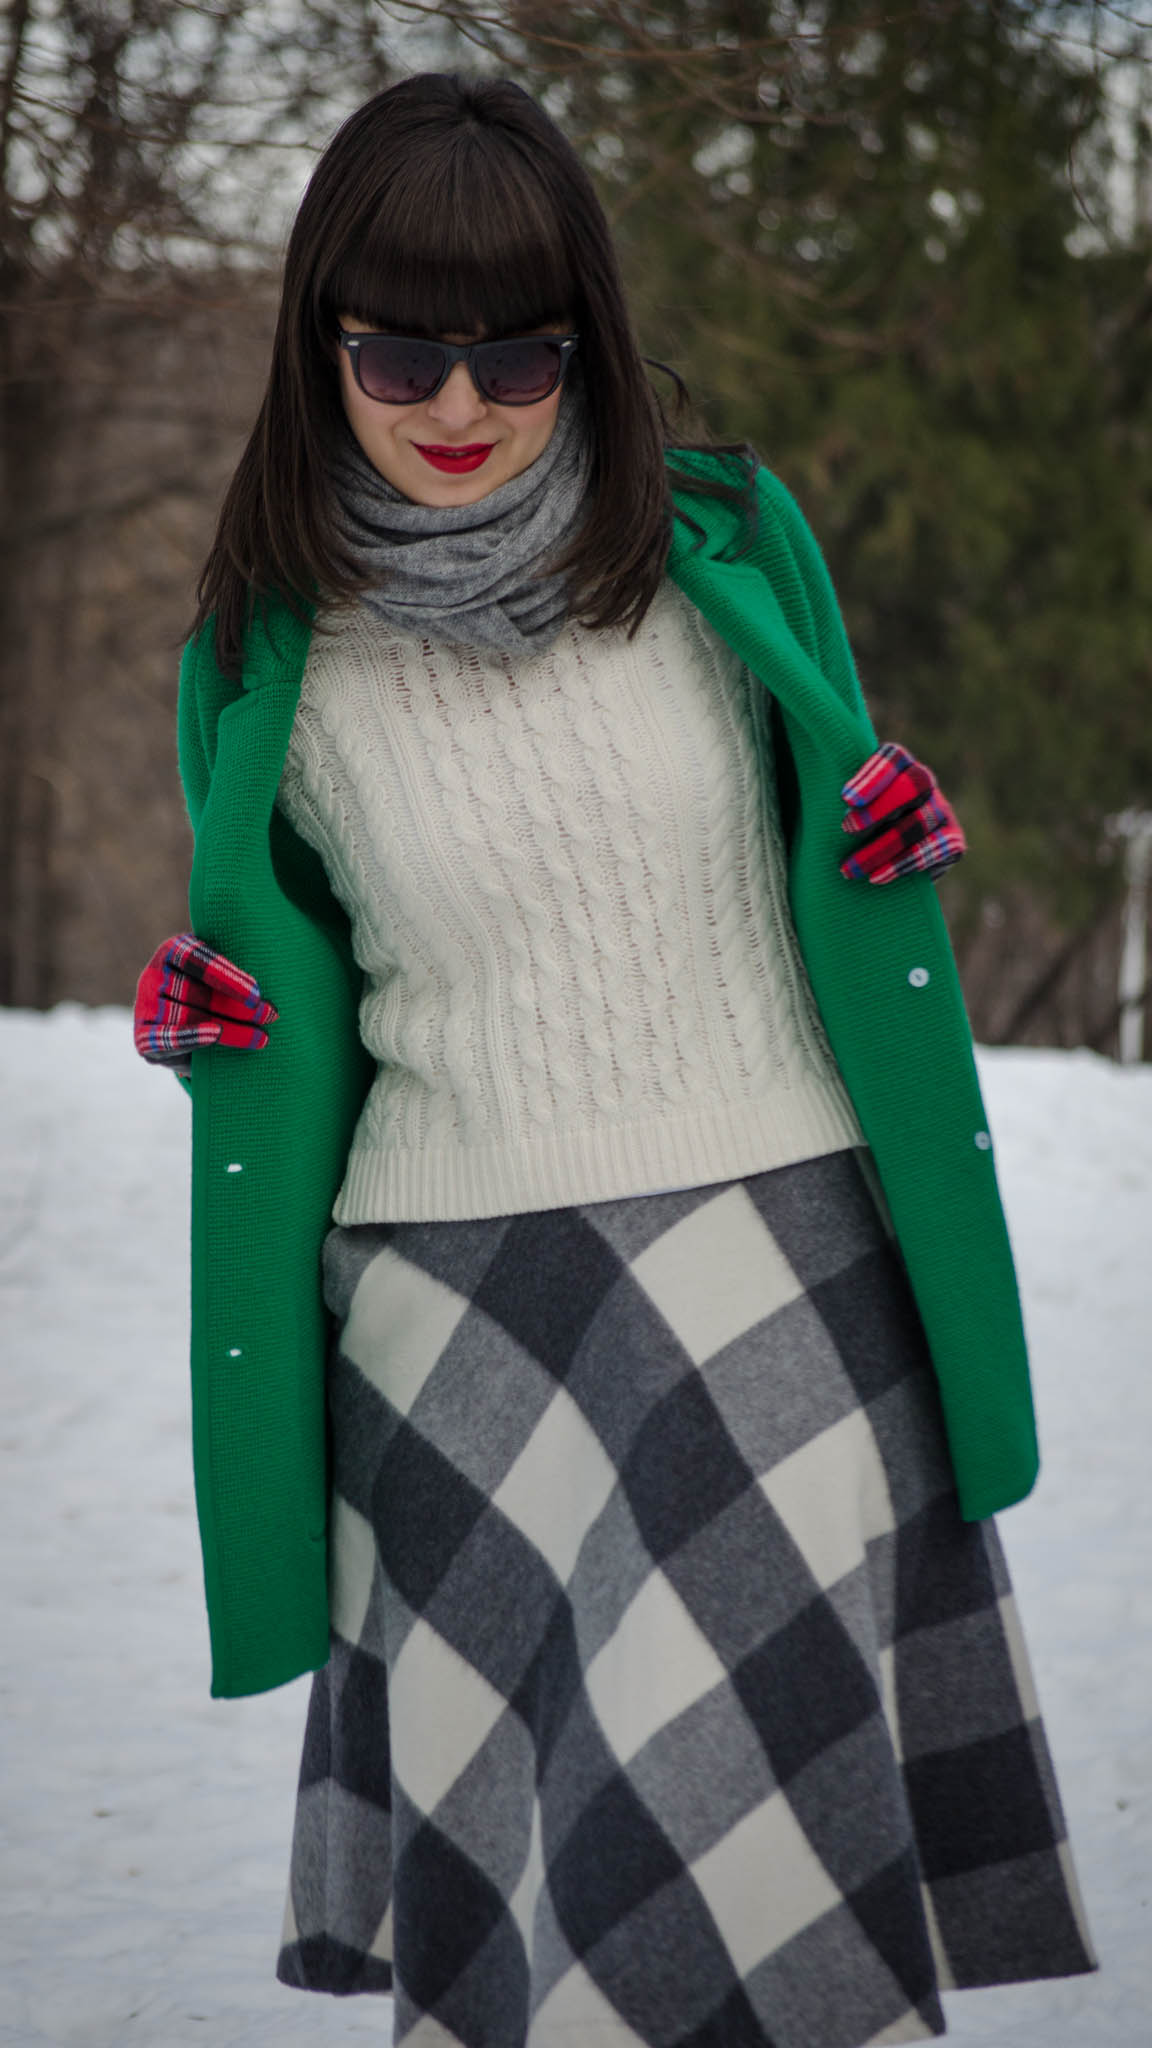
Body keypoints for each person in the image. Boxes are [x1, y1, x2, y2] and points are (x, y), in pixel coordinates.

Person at [134, 71, 1095, 2048]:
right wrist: (200, 1017)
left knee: (766, 1892)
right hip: (450, 1327)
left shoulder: (725, 546)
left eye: (517, 349)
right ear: (322, 338)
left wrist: (893, 824)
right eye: (400, 346)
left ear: (589, 341)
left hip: (789, 1271)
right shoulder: (262, 655)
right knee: (554, 1930)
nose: (459, 403)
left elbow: (834, 822)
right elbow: (278, 982)